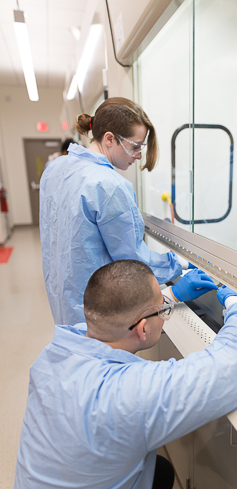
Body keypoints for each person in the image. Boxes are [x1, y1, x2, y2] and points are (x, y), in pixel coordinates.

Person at [9, 263, 237, 489]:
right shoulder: (128, 394)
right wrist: (236, 305)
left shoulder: (54, 354)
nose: (165, 311)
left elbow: (115, 318)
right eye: (162, 310)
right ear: (143, 329)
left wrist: (172, 296)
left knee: (160, 472)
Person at [40, 97, 190, 326]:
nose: (139, 155)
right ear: (109, 139)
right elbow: (132, 261)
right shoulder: (109, 186)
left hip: (63, 302)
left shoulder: (56, 169)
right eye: (135, 146)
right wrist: (177, 265)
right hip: (99, 312)